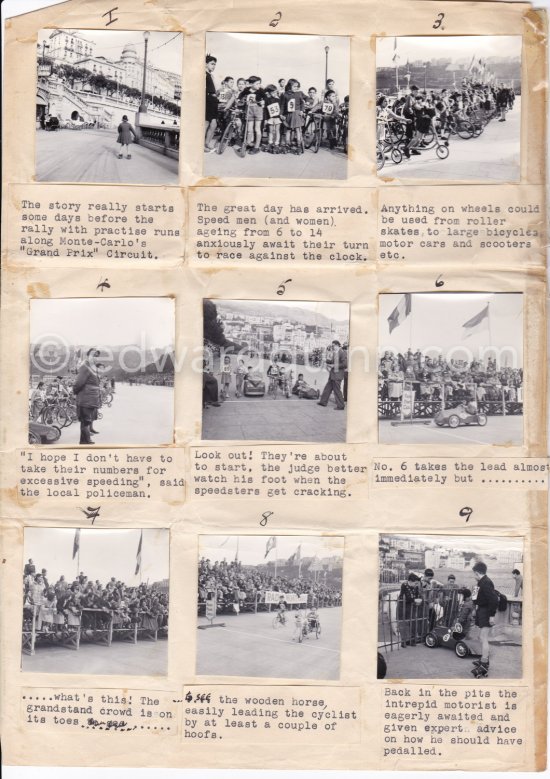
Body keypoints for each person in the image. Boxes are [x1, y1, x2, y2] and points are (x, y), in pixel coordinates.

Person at [471, 561, 498, 678]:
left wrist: (492, 615)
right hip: (482, 611)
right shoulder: (481, 582)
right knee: (480, 637)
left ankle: (484, 664)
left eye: (474, 573)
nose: (473, 575)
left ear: (477, 572)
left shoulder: (486, 583)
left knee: (483, 637)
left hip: (486, 612)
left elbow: (494, 600)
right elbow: (477, 598)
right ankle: (484, 660)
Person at [73, 348, 101, 444]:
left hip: (90, 398)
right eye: (93, 355)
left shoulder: (92, 368)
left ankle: (84, 441)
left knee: (86, 420)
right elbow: (78, 383)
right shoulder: (85, 366)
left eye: (97, 356)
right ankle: (86, 441)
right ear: (88, 356)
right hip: (86, 398)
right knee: (86, 420)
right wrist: (75, 391)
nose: (95, 358)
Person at [238, 75, 266, 155]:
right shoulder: (247, 90)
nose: (259, 85)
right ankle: (248, 144)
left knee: (257, 129)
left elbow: (266, 98)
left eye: (259, 83)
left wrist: (263, 102)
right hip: (249, 110)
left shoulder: (261, 90)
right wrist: (238, 99)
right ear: (251, 84)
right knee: (249, 129)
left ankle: (256, 147)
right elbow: (241, 95)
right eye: (257, 84)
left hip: (258, 110)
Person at [318, 340, 346, 410]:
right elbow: (332, 362)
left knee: (337, 391)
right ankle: (323, 402)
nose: (332, 347)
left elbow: (344, 364)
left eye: (333, 346)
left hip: (337, 376)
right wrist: (326, 360)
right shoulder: (336, 353)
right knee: (327, 389)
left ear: (337, 345)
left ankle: (341, 406)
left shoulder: (342, 353)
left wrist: (333, 366)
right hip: (333, 375)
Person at [397, 573, 422, 647]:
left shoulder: (416, 587)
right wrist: (415, 600)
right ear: (410, 581)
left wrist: (419, 600)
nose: (416, 585)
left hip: (412, 605)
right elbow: (407, 597)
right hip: (403, 606)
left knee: (413, 622)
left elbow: (417, 595)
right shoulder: (404, 585)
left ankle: (412, 640)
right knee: (403, 623)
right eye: (415, 583)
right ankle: (404, 641)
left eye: (417, 583)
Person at [281, 79, 306, 154]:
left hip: (297, 114)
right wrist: (281, 114)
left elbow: (302, 103)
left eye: (297, 86)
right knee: (288, 130)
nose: (296, 88)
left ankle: (298, 145)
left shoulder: (299, 94)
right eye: (294, 86)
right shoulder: (284, 94)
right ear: (289, 86)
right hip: (288, 114)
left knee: (298, 130)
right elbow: (282, 105)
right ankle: (287, 145)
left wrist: (302, 110)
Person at [204, 55, 218, 152]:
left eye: (215, 64)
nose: (214, 66)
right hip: (207, 99)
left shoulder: (210, 75)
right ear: (205, 64)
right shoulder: (204, 74)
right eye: (212, 64)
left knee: (214, 124)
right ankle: (200, 145)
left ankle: (207, 143)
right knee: (206, 123)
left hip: (213, 100)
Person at [264, 84, 283, 153]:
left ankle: (277, 143)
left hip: (277, 118)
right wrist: (266, 119)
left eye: (275, 92)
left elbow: (281, 108)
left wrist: (281, 115)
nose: (274, 94)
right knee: (271, 131)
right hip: (270, 118)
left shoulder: (279, 100)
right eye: (272, 92)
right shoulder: (267, 100)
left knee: (277, 131)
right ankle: (270, 142)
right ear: (269, 93)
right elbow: (265, 110)